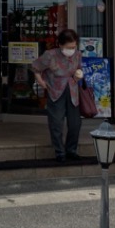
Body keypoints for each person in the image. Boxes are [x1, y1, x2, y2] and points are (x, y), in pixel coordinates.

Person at [31, 29, 84, 163]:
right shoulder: (50, 55)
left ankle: (71, 150)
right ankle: (60, 152)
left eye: (74, 46)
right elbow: (35, 67)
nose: (72, 49)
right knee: (56, 123)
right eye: (68, 47)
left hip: (72, 91)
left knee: (75, 124)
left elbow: (79, 68)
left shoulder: (77, 54)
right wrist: (41, 82)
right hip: (55, 91)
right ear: (60, 45)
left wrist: (78, 74)